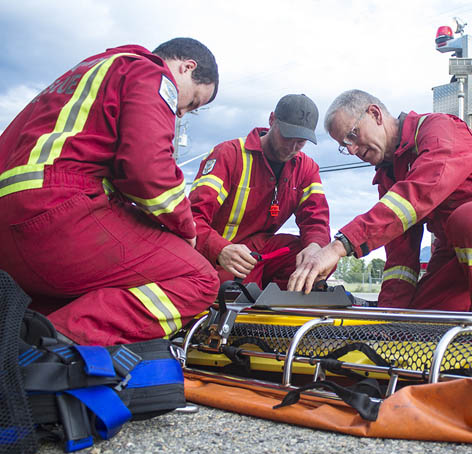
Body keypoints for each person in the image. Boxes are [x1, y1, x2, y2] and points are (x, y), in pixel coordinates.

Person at [0, 38, 220, 345]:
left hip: (10, 232)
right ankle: (48, 347)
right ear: (186, 68)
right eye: (193, 102)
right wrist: (185, 227)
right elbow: (147, 168)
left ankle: (24, 340)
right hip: (55, 214)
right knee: (199, 279)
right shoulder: (150, 73)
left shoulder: (87, 72)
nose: (182, 113)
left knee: (85, 293)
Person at [289, 89, 472, 314]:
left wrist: (337, 247)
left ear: (375, 114)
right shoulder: (388, 175)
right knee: (419, 321)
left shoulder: (438, 130)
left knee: (471, 218)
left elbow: (420, 193)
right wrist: (387, 323)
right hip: (457, 251)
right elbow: (400, 261)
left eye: (352, 136)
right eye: (344, 146)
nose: (353, 150)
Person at [189, 94, 330, 289]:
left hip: (260, 253)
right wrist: (220, 249)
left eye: (301, 142)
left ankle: (279, 303)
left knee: (321, 259)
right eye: (287, 137)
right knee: (229, 285)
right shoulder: (229, 155)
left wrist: (315, 246)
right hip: (218, 257)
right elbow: (192, 219)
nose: (292, 148)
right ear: (272, 120)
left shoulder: (306, 168)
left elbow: (316, 222)